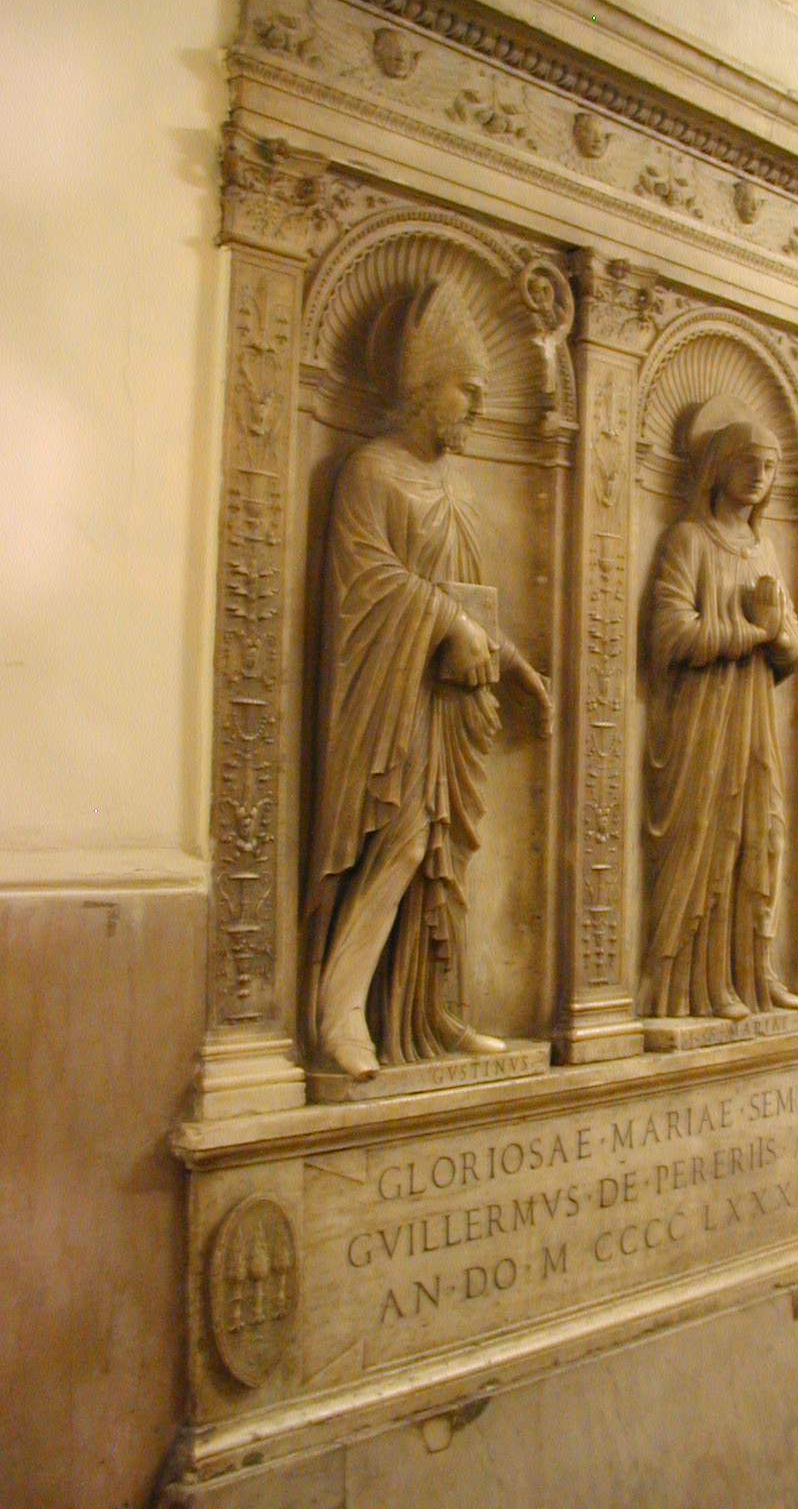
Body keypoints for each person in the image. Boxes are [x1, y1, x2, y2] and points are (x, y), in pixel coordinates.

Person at [304, 279, 552, 1079]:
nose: (476, 407)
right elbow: (368, 582)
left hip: (453, 710)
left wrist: (514, 665)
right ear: (422, 386)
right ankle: (339, 1010)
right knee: (400, 843)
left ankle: (429, 1014)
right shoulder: (372, 472)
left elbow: (469, 603)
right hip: (391, 702)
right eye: (466, 391)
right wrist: (446, 624)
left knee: (441, 859)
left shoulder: (458, 491)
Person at [639, 394, 798, 1019]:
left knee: (764, 836)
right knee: (710, 840)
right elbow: (669, 633)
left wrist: (779, 635)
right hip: (704, 723)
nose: (760, 475)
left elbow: (793, 644)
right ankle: (698, 985)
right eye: (748, 461)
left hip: (755, 717)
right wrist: (750, 633)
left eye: (770, 466)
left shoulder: (765, 551)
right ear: (718, 464)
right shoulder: (688, 541)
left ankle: (754, 973)